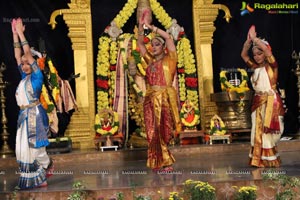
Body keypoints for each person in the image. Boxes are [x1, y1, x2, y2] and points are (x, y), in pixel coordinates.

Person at [12, 18, 54, 189]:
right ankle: (36, 176)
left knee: (36, 150)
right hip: (23, 116)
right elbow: (18, 55)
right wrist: (14, 34)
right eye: (22, 64)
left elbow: (27, 54)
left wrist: (21, 33)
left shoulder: (37, 77)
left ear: (34, 64)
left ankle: (45, 170)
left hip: (35, 116)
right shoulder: (24, 77)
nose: (24, 65)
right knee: (22, 150)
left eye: (27, 63)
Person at [137, 12, 182, 172]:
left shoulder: (170, 60)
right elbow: (140, 44)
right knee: (151, 132)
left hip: (164, 99)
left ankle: (166, 161)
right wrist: (142, 28)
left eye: (157, 44)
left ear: (163, 47)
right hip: (150, 100)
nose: (153, 47)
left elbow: (169, 38)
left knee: (163, 130)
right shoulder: (149, 61)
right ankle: (158, 161)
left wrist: (152, 28)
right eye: (153, 44)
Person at [241, 25, 285, 167]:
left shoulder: (273, 66)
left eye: (259, 54)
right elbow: (243, 55)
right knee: (257, 130)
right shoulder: (255, 68)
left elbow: (266, 50)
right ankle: (259, 160)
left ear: (265, 54)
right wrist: (248, 42)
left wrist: (255, 39)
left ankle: (269, 158)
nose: (257, 57)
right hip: (258, 102)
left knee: (269, 133)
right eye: (255, 55)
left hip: (271, 102)